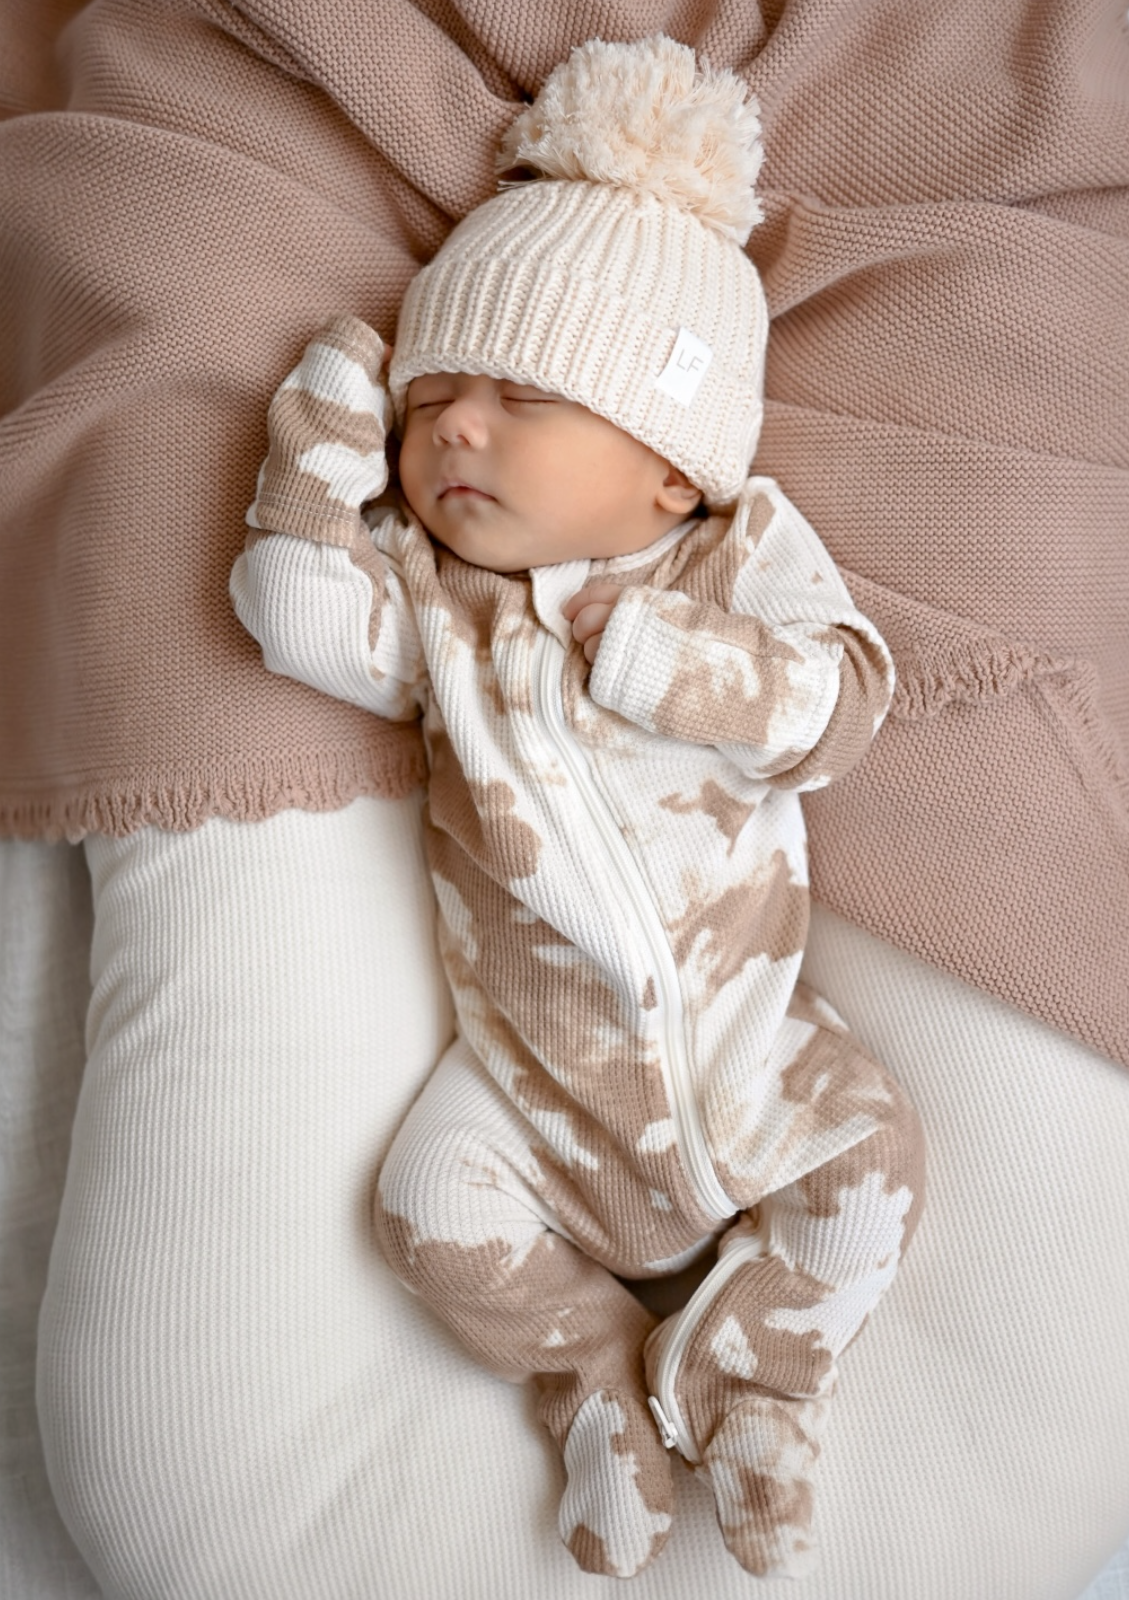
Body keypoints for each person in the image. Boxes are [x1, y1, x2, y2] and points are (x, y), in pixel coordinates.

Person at [231, 37, 923, 1582]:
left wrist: (690, 673)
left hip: (746, 1049)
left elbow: (843, 703)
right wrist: (322, 441)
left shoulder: (730, 557)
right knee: (423, 1207)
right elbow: (290, 611)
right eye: (433, 401)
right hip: (531, 1093)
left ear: (671, 465)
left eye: (520, 396)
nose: (454, 432)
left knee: (874, 1167)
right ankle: (589, 1379)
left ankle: (755, 1383)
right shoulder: (437, 606)